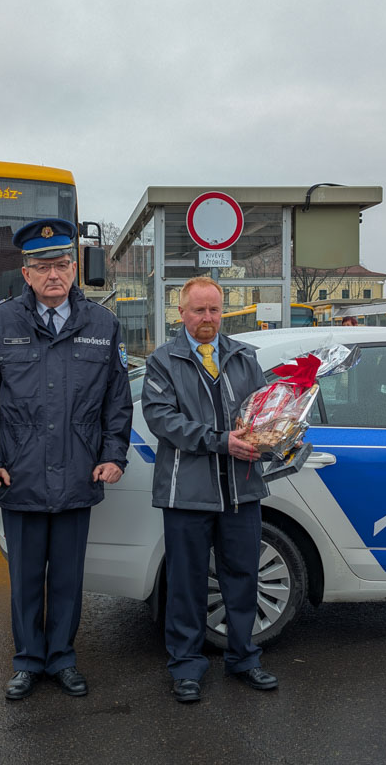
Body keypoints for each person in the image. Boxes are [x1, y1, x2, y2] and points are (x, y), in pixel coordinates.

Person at [0, 218, 133, 701]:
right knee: (24, 580)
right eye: (43, 267)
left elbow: (116, 401)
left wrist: (113, 454)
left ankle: (61, 657)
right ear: (26, 273)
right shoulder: (0, 323)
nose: (53, 275)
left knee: (67, 577)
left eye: (61, 265)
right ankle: (26, 661)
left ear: (75, 269)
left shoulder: (103, 324)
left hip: (78, 472)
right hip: (18, 475)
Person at [142, 277, 278, 703]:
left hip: (242, 489)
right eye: (198, 310)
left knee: (243, 577)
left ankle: (244, 658)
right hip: (187, 491)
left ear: (224, 311)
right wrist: (221, 441)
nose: (207, 319)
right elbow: (162, 419)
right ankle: (186, 667)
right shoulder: (163, 361)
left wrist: (273, 436)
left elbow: (263, 410)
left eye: (214, 310)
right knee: (186, 582)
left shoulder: (244, 357)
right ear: (180, 313)